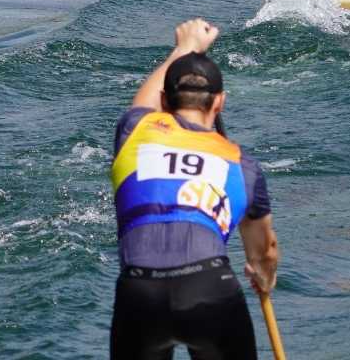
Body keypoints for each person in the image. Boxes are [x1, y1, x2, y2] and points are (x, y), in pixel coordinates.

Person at [110, 18, 279, 359]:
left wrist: (186, 46)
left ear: (164, 99)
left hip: (140, 293)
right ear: (220, 103)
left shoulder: (135, 132)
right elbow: (263, 251)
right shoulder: (242, 165)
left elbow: (143, 101)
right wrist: (265, 276)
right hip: (210, 291)